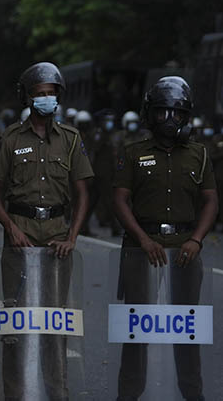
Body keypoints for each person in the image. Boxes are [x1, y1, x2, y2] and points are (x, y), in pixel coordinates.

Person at [0, 62, 93, 401]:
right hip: (20, 240)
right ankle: (16, 394)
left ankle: (55, 391)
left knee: (54, 322)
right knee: (15, 324)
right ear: (28, 97)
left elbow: (82, 194)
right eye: (39, 94)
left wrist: (72, 236)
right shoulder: (10, 139)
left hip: (56, 242)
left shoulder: (72, 140)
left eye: (51, 94)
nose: (46, 100)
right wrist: (11, 228)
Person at [112, 76, 216, 401]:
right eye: (162, 112)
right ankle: (128, 394)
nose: (170, 120)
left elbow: (211, 200)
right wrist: (142, 239)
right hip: (142, 250)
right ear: (149, 114)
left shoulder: (199, 154)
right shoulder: (131, 153)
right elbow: (119, 199)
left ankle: (192, 394)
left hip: (185, 251)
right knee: (137, 329)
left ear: (188, 117)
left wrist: (196, 240)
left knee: (187, 329)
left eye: (178, 113)